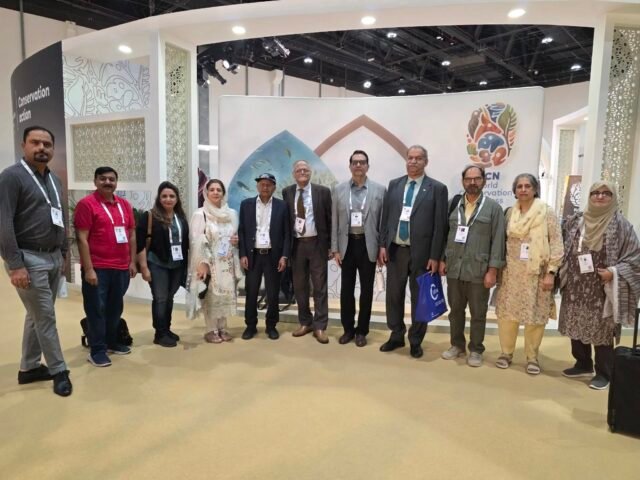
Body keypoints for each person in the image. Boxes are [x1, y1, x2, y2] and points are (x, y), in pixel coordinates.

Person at [0, 126, 72, 396]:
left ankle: (29, 368)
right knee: (46, 318)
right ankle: (59, 370)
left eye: (47, 144)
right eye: (35, 143)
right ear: (24, 146)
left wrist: (63, 252)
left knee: (37, 315)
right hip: (28, 258)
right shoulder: (11, 177)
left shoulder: (54, 180)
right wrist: (15, 264)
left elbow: (60, 217)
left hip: (52, 256)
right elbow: (3, 222)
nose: (41, 148)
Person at [558, 181, 640, 390]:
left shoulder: (621, 225)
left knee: (601, 329)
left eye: (606, 193)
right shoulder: (577, 221)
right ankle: (582, 364)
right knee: (576, 322)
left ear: (613, 198)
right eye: (595, 193)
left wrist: (614, 272)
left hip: (602, 288)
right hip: (576, 285)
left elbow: (634, 257)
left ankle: (604, 372)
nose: (600, 196)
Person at [378, 145, 448, 358]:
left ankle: (416, 340)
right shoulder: (395, 184)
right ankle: (396, 335)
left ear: (426, 161)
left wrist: (435, 256)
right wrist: (383, 245)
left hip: (423, 255)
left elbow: (440, 226)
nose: (414, 161)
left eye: (418, 158)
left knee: (420, 300)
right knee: (394, 296)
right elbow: (386, 218)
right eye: (410, 158)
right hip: (396, 251)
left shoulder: (437, 188)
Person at [494, 173, 563, 375]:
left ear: (535, 189)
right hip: (511, 273)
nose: (523, 189)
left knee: (535, 317)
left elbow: (556, 243)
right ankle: (506, 353)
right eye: (520, 186)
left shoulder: (546, 213)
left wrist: (551, 272)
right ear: (514, 191)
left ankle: (532, 356)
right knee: (507, 316)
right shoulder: (509, 213)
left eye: (527, 186)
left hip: (537, 273)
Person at [439, 165, 505, 367]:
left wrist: (492, 271)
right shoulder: (453, 205)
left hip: (478, 270)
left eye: (477, 179)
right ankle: (457, 345)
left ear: (484, 181)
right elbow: (444, 235)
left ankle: (476, 349)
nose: (472, 182)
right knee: (455, 311)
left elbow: (498, 242)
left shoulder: (493, 208)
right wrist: (442, 259)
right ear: (463, 181)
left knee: (478, 313)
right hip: (455, 268)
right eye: (468, 179)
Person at [75, 166, 137, 367]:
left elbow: (131, 235)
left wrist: (132, 261)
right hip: (98, 268)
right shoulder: (87, 204)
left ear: (116, 182)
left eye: (111, 179)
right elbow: (82, 238)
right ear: (95, 181)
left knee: (115, 308)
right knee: (96, 309)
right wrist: (89, 269)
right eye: (103, 179)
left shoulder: (124, 205)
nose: (108, 182)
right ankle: (97, 350)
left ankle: (111, 342)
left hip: (121, 268)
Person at [331, 150, 386, 347]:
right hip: (347, 245)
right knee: (346, 290)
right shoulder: (338, 190)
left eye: (362, 162)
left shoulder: (380, 190)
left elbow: (383, 222)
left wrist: (382, 246)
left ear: (367, 166)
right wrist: (335, 248)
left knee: (366, 290)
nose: (358, 165)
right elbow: (334, 221)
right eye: (355, 162)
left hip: (368, 245)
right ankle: (348, 329)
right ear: (350, 166)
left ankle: (362, 330)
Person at [282, 160, 332, 344]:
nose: (302, 172)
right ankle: (305, 322)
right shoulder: (287, 192)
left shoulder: (322, 192)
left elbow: (329, 219)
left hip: (317, 244)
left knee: (320, 287)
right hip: (297, 246)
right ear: (294, 174)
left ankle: (320, 326)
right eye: (298, 170)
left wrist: (330, 246)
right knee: (300, 287)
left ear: (310, 173)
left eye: (305, 170)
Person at [238, 173, 291, 340]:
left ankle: (271, 326)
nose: (265, 187)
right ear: (257, 186)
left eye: (268, 184)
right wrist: (242, 254)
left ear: (274, 187)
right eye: (262, 184)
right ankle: (250, 326)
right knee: (251, 292)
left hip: (273, 255)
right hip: (253, 256)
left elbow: (287, 234)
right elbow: (242, 231)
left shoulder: (282, 206)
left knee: (273, 293)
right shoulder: (246, 205)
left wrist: (284, 256)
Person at [136, 181, 189, 348]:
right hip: (157, 263)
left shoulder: (180, 218)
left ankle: (167, 328)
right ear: (159, 198)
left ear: (177, 199)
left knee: (169, 297)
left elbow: (186, 242)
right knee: (160, 298)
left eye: (172, 196)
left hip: (177, 264)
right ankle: (159, 334)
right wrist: (144, 268)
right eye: (164, 196)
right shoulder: (149, 216)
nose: (168, 199)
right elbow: (140, 244)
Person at [188, 179, 240, 343]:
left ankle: (222, 327)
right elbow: (195, 241)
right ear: (206, 193)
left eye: (219, 190)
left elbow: (234, 235)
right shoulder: (200, 214)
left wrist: (236, 241)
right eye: (212, 189)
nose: (216, 192)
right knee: (211, 295)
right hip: (209, 262)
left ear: (223, 193)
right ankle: (211, 329)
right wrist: (202, 264)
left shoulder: (231, 214)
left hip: (227, 262)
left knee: (225, 295)